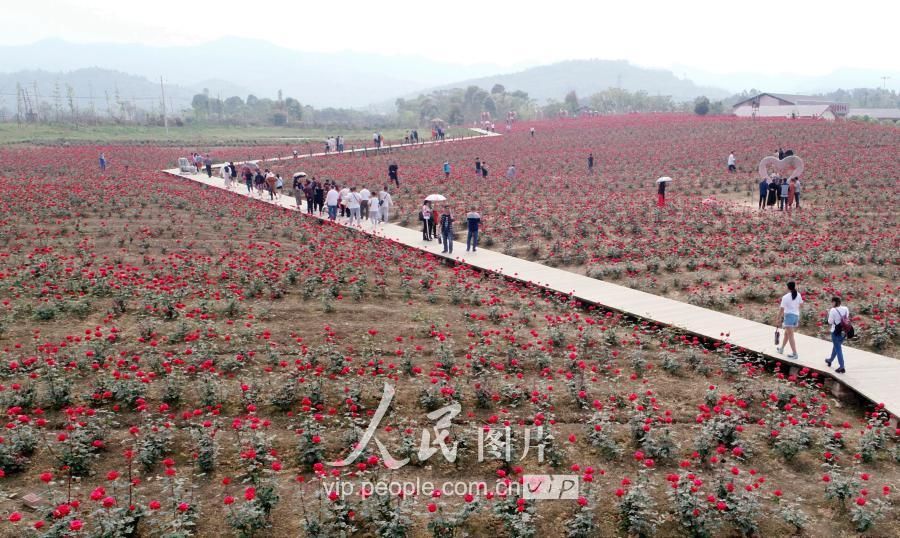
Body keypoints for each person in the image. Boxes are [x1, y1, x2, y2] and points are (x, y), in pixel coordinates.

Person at [777, 281, 802, 359]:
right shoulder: (798, 295)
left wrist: (778, 318)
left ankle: (795, 354)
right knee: (786, 334)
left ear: (788, 287)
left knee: (790, 336)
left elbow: (781, 309)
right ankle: (781, 349)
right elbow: (801, 305)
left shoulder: (785, 297)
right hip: (796, 317)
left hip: (789, 317)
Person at [826, 297, 850, 373]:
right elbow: (846, 318)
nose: (831, 303)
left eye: (832, 302)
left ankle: (842, 367)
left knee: (838, 349)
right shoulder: (846, 308)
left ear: (834, 302)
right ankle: (830, 360)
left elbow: (830, 322)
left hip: (836, 332)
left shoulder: (833, 310)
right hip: (844, 332)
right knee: (836, 346)